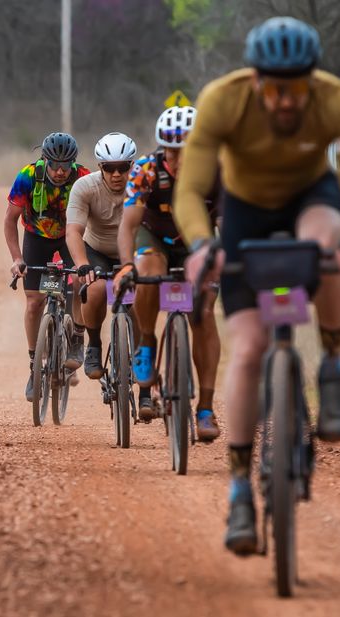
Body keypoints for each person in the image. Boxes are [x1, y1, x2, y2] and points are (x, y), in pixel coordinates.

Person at [176, 16, 340, 555]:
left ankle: (332, 365)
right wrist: (201, 247)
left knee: (327, 245)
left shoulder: (338, 99)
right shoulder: (223, 100)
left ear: (312, 79)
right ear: (256, 79)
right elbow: (191, 190)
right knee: (248, 349)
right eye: (276, 88)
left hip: (312, 198)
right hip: (245, 214)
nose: (287, 101)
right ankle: (241, 487)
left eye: (298, 88)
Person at [116, 107, 222, 438]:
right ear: (162, 148)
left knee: (203, 313)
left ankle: (205, 408)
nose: (177, 158)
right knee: (147, 269)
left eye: (185, 151)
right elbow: (128, 224)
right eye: (171, 150)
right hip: (155, 236)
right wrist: (126, 266)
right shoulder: (146, 169)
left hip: (196, 240)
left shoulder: (215, 170)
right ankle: (147, 341)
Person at [4, 132, 90, 401]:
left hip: (71, 237)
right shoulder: (28, 177)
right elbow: (9, 221)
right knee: (33, 303)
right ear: (45, 160)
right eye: (55, 164)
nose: (61, 171)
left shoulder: (84, 176)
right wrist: (17, 259)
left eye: (67, 165)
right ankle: (34, 366)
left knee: (78, 281)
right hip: (36, 238)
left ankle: (76, 336)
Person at [65, 132, 137, 380]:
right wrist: (83, 265)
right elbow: (73, 231)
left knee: (139, 298)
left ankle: (140, 352)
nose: (116, 174)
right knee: (94, 289)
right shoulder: (85, 187)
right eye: (109, 168)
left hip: (133, 252)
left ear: (132, 165)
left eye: (123, 167)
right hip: (97, 251)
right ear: (100, 167)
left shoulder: (142, 186)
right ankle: (93, 344)